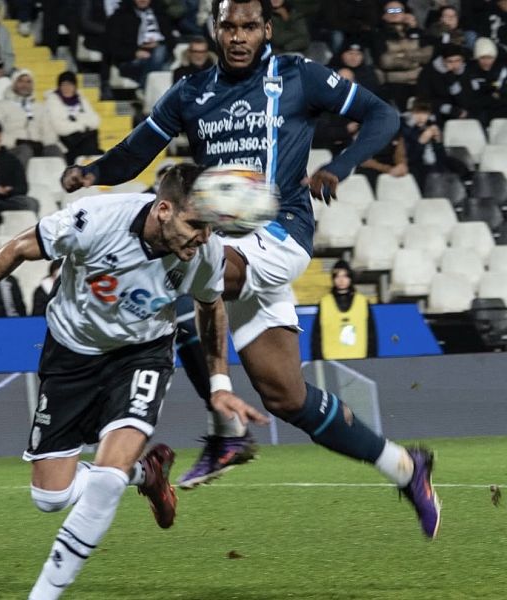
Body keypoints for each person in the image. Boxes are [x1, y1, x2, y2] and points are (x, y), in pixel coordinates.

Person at [61, 0, 440, 539]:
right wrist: (90, 171)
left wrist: (339, 166)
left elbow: (384, 115)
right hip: (226, 243)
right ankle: (405, 467)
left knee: (181, 266)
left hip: (279, 234)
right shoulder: (192, 92)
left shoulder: (299, 77)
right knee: (287, 395)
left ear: (266, 28)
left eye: (248, 26)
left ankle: (225, 432)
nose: (238, 36)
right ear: (215, 30)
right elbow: (135, 152)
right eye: (228, 26)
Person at [0, 163, 269, 598]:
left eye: (210, 227)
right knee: (50, 498)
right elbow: (18, 249)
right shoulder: (95, 219)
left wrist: (219, 385)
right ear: (162, 210)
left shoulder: (205, 252)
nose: (204, 237)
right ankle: (147, 473)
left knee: (104, 479)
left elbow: (211, 309)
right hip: (71, 357)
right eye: (195, 225)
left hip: (143, 355)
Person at [0, 68, 64, 168]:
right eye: (21, 81)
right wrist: (16, 142)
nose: (25, 85)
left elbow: (49, 132)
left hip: (37, 146)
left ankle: (64, 182)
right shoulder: (0, 106)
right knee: (25, 149)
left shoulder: (40, 107)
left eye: (28, 82)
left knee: (54, 149)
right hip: (12, 148)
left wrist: (42, 144)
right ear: (13, 83)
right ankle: (16, 182)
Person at [310, 260, 377, 360]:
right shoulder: (324, 303)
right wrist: (318, 360)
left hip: (359, 360)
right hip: (331, 362)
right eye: (337, 276)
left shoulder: (363, 302)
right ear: (333, 278)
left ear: (350, 277)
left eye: (345, 276)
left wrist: (371, 360)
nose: (341, 280)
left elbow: (371, 336)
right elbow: (316, 337)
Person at [105, 0, 175, 87]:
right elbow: (112, 47)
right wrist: (135, 52)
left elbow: (171, 41)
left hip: (159, 53)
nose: (143, 0)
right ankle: (144, 88)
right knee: (163, 69)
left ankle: (144, 88)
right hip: (131, 59)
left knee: (161, 57)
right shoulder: (119, 17)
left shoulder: (161, 15)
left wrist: (157, 43)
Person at [44, 71, 101, 164]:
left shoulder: (81, 99)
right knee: (91, 146)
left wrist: (76, 124)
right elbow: (60, 128)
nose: (67, 88)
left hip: (83, 140)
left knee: (92, 138)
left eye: (70, 84)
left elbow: (96, 120)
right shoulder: (52, 101)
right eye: (63, 85)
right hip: (64, 143)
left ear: (75, 86)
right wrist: (82, 125)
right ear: (59, 86)